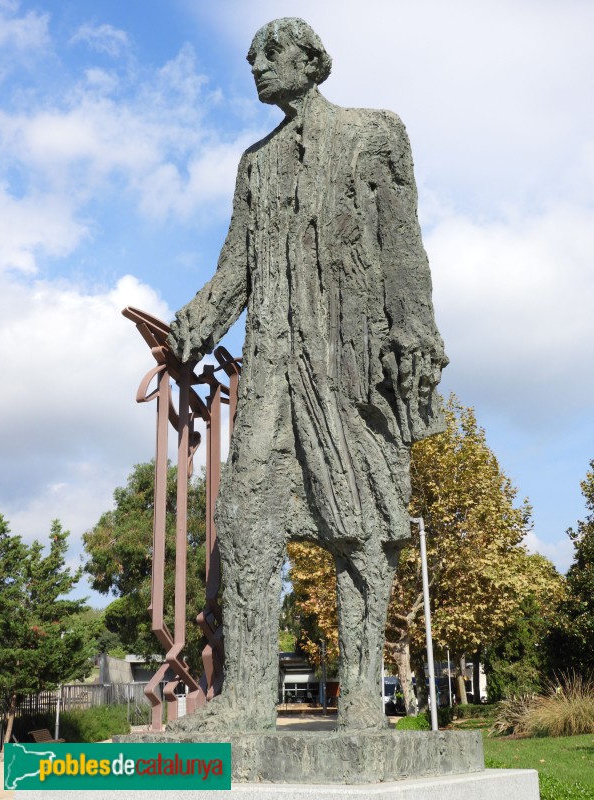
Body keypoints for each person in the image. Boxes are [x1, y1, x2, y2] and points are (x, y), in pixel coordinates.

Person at [168, 17, 447, 732]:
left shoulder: (371, 134)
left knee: (361, 528)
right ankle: (250, 699)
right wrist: (194, 324)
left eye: (270, 53)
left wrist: (415, 335)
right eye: (251, 57)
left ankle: (361, 694)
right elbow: (238, 266)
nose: (256, 66)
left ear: (312, 60)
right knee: (247, 517)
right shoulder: (254, 164)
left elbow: (402, 246)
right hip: (272, 368)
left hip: (352, 364)